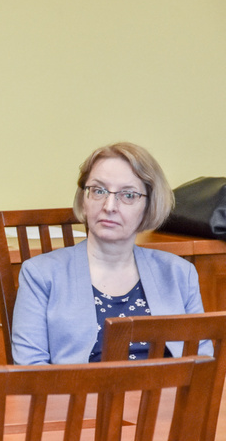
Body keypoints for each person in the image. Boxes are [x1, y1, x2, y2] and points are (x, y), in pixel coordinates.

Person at [11, 142, 212, 365]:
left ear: (149, 206)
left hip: (167, 388)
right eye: (99, 191)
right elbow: (30, 369)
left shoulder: (179, 273)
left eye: (128, 195)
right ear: (84, 199)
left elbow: (203, 362)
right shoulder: (39, 274)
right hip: (76, 389)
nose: (109, 206)